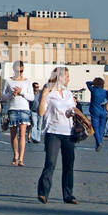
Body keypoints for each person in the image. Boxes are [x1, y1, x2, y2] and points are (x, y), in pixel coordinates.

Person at [36, 66, 79, 205]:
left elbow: (71, 110)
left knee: (69, 164)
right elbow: (41, 112)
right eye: (66, 76)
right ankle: (43, 193)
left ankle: (68, 195)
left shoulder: (67, 93)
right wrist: (43, 95)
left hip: (68, 132)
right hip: (53, 132)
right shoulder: (48, 91)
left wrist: (73, 112)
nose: (68, 79)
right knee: (50, 163)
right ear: (59, 77)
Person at [3, 61, 35, 167]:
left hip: (24, 109)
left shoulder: (27, 82)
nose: (18, 70)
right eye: (16, 68)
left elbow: (32, 97)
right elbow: (3, 96)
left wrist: (21, 92)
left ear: (22, 68)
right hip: (13, 108)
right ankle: (15, 155)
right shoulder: (8, 81)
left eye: (20, 68)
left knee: (22, 134)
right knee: (13, 135)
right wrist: (12, 94)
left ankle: (21, 158)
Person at [86, 77, 108, 150]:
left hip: (94, 111)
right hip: (103, 110)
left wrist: (93, 83)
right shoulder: (105, 92)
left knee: (95, 127)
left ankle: (98, 142)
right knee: (101, 127)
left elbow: (87, 83)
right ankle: (99, 143)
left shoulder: (93, 90)